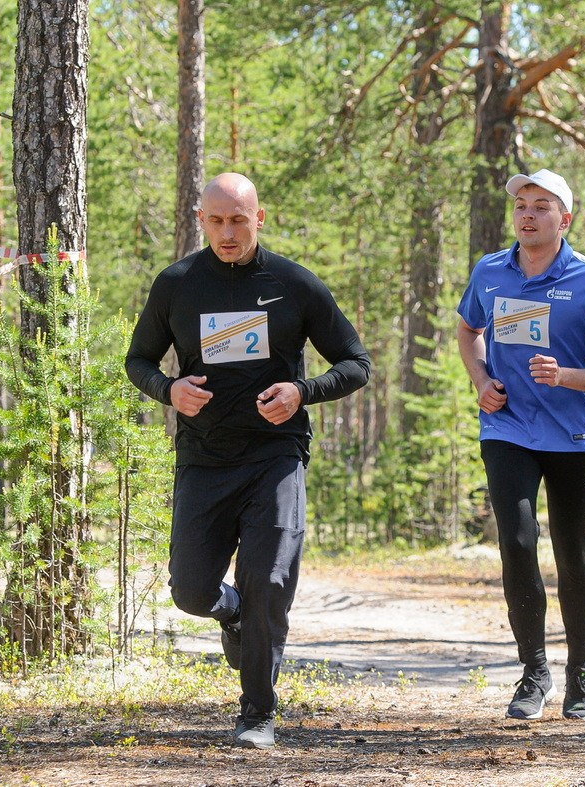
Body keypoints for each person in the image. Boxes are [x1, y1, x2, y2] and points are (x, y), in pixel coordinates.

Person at [125, 172, 371, 749]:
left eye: (238, 220)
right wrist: (168, 390)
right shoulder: (178, 284)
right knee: (189, 591)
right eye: (216, 221)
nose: (227, 232)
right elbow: (138, 360)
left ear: (259, 218)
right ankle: (229, 610)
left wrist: (301, 392)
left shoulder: (294, 285)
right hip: (204, 458)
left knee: (268, 580)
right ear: (201, 220)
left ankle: (258, 712)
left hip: (274, 457)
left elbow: (356, 363)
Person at [455, 168, 585, 721]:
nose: (527, 215)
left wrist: (567, 376)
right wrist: (482, 381)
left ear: (565, 219)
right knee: (515, 539)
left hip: (573, 435)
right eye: (521, 206)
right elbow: (468, 330)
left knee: (573, 555)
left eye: (541, 206)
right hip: (507, 427)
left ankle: (580, 669)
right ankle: (534, 672)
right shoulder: (490, 272)